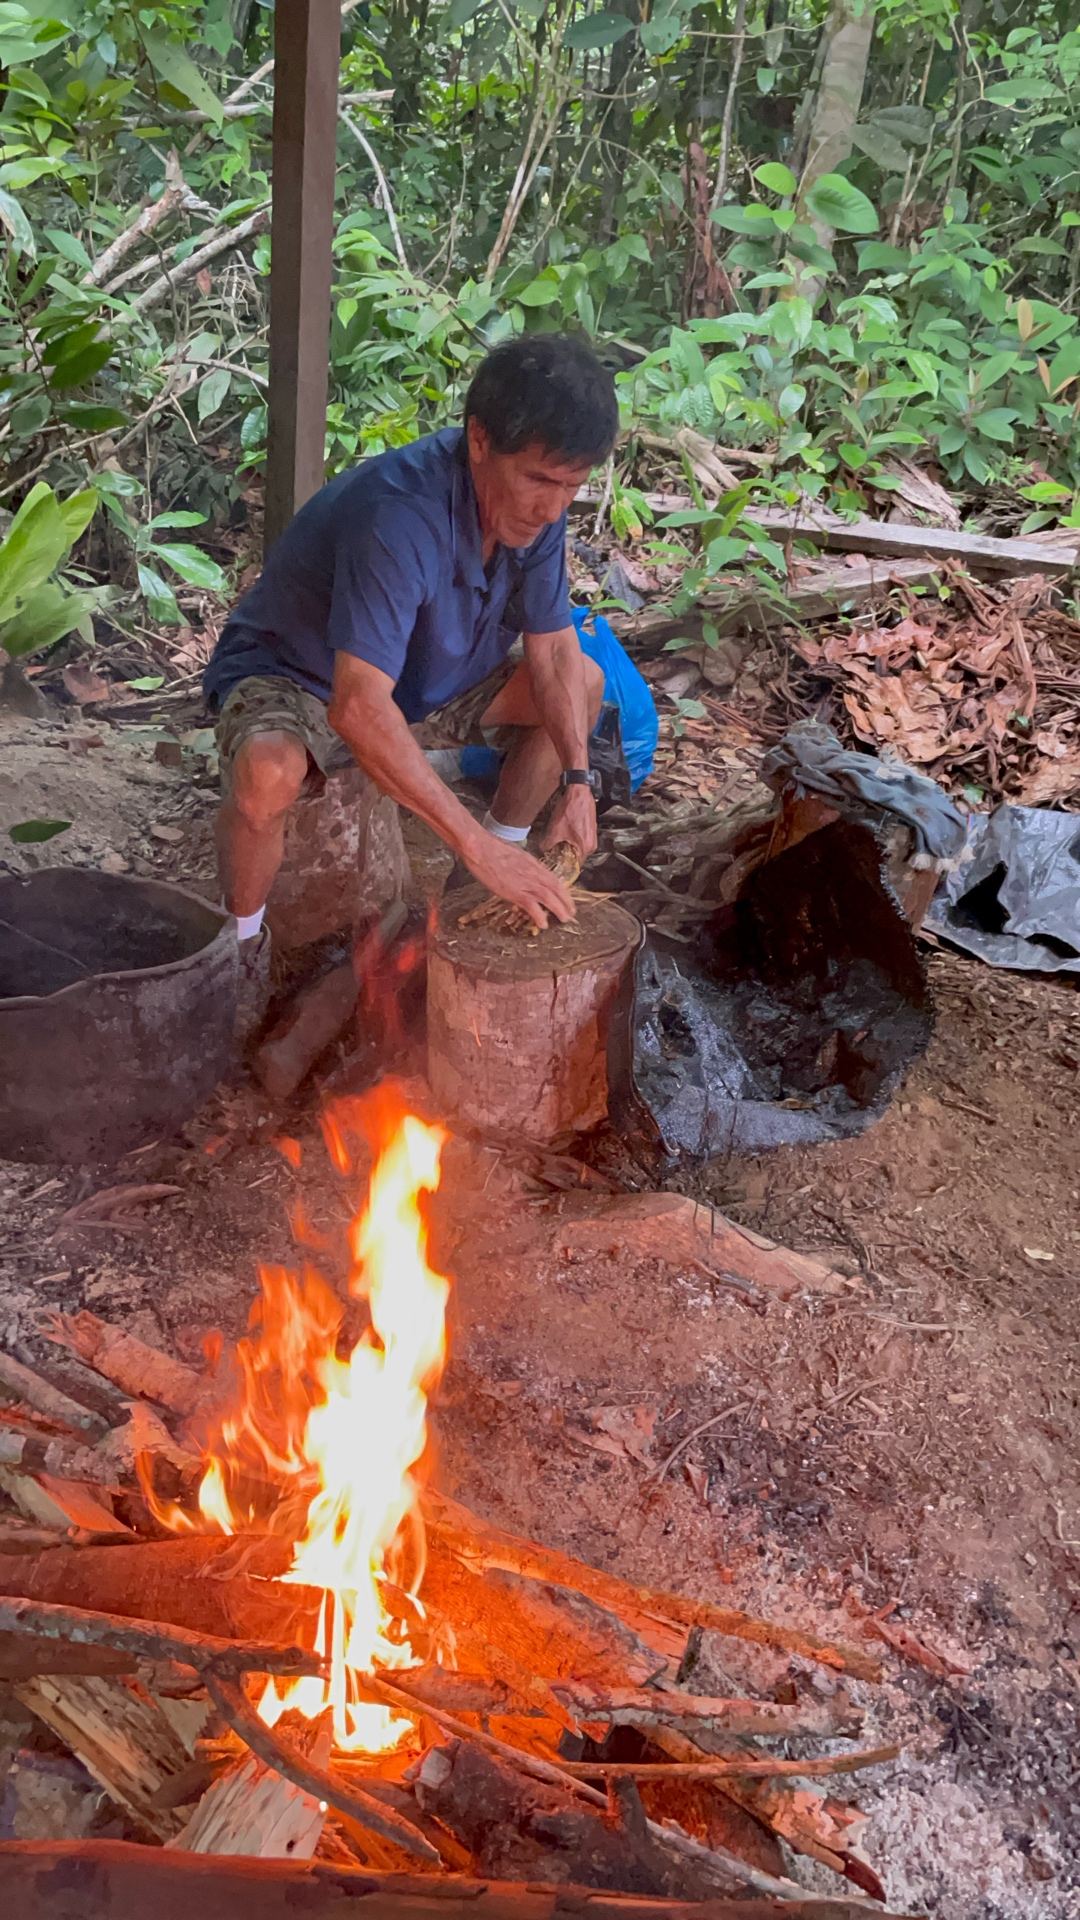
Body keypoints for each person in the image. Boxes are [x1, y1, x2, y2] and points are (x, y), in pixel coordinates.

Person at [203, 333, 619, 992]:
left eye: (572, 485)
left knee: (586, 684)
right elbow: (357, 705)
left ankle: (475, 885)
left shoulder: (540, 515)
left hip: (427, 674)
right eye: (540, 480)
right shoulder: (399, 516)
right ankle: (237, 956)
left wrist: (577, 782)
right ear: (479, 440)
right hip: (300, 672)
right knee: (268, 772)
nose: (553, 506)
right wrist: (469, 845)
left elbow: (555, 647)